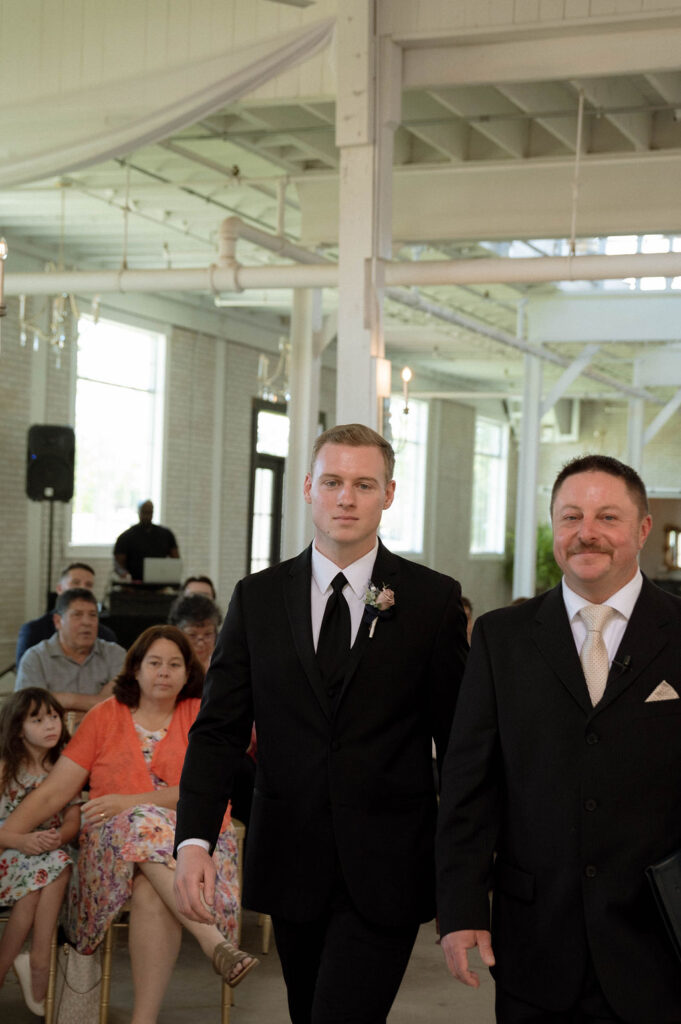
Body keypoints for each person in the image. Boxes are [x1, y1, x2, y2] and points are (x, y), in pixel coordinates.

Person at [174, 422, 469, 1024]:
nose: (346, 497)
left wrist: (462, 873)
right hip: (291, 860)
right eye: (333, 481)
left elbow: (460, 742)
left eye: (364, 484)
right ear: (308, 487)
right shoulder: (256, 599)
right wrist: (194, 839)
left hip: (389, 863)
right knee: (308, 1011)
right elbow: (218, 731)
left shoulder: (432, 601)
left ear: (388, 494)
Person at [437, 453, 681, 1024]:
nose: (586, 533)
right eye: (570, 517)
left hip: (660, 942)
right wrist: (461, 906)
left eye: (607, 518)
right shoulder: (502, 638)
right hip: (535, 942)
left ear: (643, 529)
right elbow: (469, 783)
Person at [0, 626, 257, 1024]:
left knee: (150, 887)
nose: (164, 672)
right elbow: (54, 793)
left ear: (187, 672)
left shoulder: (201, 715)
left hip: (195, 849)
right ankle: (213, 945)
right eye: (154, 662)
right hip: (110, 851)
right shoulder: (105, 716)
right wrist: (2, 838)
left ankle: (143, 1020)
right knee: (139, 823)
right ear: (135, 668)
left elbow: (208, 790)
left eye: (175, 664)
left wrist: (128, 801)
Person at [0, 689, 79, 1016]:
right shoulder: (6, 768)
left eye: (54, 716)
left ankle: (15, 965)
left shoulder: (66, 768)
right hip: (7, 855)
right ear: (19, 728)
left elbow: (74, 820)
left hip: (45, 856)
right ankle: (38, 959)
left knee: (57, 862)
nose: (50, 725)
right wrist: (20, 841)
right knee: (58, 865)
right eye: (37, 719)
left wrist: (58, 836)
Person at [15, 589, 126, 715]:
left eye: (93, 615)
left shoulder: (116, 654)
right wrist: (98, 704)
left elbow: (124, 705)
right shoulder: (35, 658)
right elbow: (29, 711)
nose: (87, 622)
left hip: (105, 734)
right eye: (77, 615)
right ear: (58, 621)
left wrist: (65, 700)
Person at [15, 562, 117, 666]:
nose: (82, 589)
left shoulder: (105, 635)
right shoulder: (33, 631)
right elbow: (25, 674)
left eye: (88, 585)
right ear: (59, 589)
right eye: (76, 583)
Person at [114, 500, 180, 581]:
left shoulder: (166, 534)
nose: (147, 516)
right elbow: (118, 564)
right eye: (144, 512)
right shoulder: (126, 537)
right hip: (133, 585)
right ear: (139, 512)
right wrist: (125, 575)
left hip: (159, 583)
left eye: (150, 512)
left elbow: (176, 561)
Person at [168, 593, 222, 674]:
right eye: (192, 635)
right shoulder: (167, 671)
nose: (200, 643)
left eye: (208, 634)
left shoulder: (224, 669)